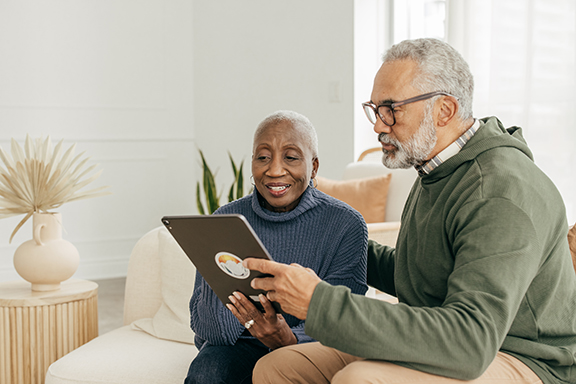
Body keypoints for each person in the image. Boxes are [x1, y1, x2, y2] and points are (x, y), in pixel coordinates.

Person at [245, 38, 576, 384]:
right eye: (374, 109)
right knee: (278, 366)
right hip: (440, 337)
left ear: (444, 110)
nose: (378, 125)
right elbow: (419, 275)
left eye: (391, 109)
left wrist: (318, 302)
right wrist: (332, 238)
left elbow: (469, 341)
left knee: (360, 378)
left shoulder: (500, 191)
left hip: (520, 357)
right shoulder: (437, 170)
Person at [184, 110, 368, 384]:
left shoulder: (346, 224)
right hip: (240, 345)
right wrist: (221, 274)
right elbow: (210, 331)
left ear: (314, 166)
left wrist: (288, 337)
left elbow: (346, 322)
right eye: (263, 157)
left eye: (291, 157)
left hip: (309, 347)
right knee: (207, 373)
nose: (274, 170)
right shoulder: (226, 219)